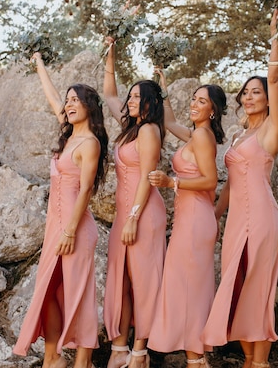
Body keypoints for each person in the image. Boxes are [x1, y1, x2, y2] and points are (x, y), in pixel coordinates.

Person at [200, 8, 278, 368]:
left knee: (256, 288)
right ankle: (252, 361)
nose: (251, 96)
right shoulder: (238, 136)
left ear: (268, 99)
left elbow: (276, 79)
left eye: (258, 92)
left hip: (263, 220)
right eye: (246, 92)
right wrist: (211, 217)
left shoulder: (272, 128)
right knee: (237, 286)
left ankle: (259, 363)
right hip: (237, 220)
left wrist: (275, 34)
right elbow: (229, 187)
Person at [13, 52, 109, 368]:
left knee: (78, 296)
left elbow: (86, 190)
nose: (68, 105)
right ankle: (52, 357)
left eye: (75, 101)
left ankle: (82, 362)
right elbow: (52, 96)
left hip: (76, 228)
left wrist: (69, 229)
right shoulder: (68, 135)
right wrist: (39, 63)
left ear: (89, 107)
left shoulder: (90, 143)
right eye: (67, 101)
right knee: (50, 292)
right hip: (56, 226)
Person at [147, 69, 227, 368]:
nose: (194, 104)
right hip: (188, 219)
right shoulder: (196, 134)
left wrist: (172, 183)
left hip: (196, 220)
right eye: (193, 99)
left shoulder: (204, 137)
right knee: (184, 285)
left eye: (201, 101)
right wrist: (164, 90)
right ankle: (195, 356)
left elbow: (210, 181)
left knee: (190, 287)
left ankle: (196, 358)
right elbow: (168, 122)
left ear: (213, 110)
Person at [101, 37, 167, 368]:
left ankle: (140, 351)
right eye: (132, 95)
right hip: (123, 215)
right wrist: (112, 50)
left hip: (143, 214)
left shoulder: (150, 131)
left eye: (138, 96)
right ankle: (118, 348)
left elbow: (146, 176)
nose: (130, 100)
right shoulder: (130, 128)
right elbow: (110, 94)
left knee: (143, 279)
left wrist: (133, 217)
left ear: (151, 102)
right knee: (121, 278)